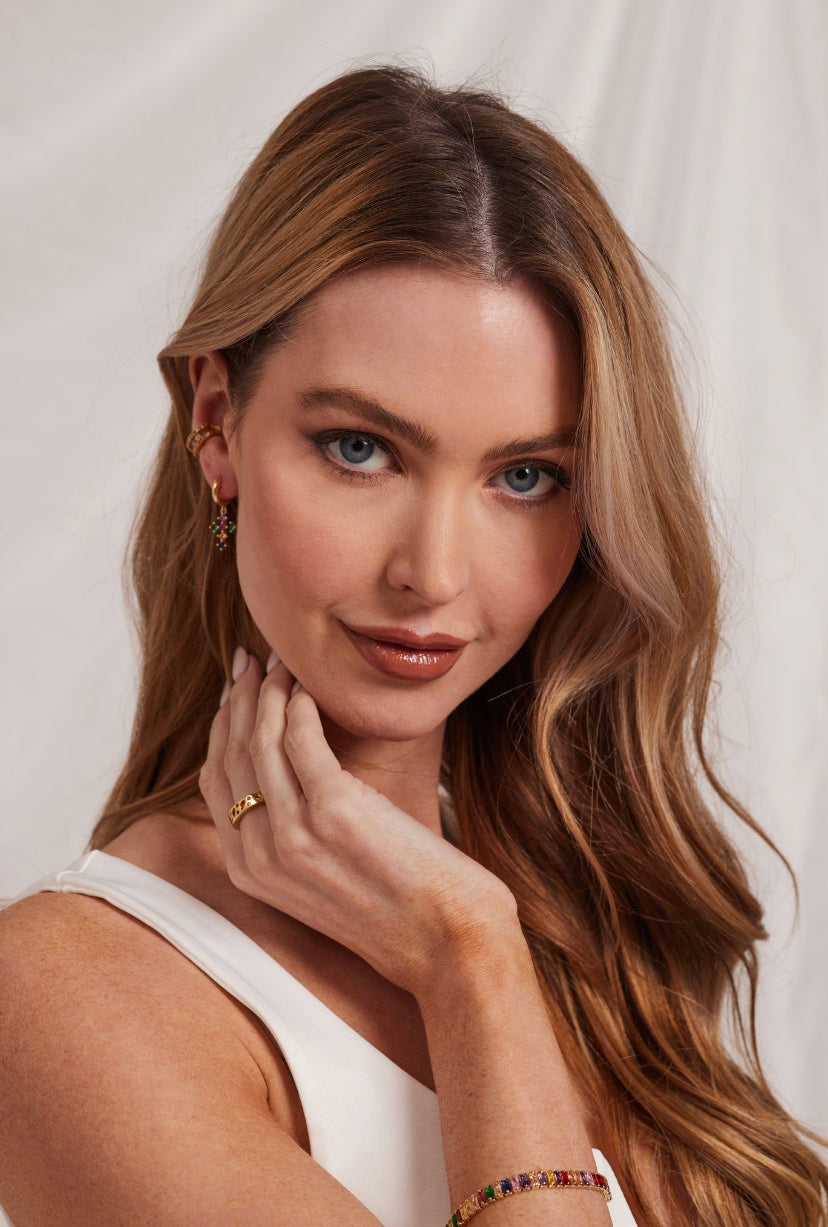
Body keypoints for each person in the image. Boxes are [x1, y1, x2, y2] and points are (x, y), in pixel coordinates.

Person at [0, 62, 825, 1227]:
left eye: (526, 477)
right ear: (217, 422)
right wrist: (469, 957)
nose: (432, 574)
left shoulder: (590, 919)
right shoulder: (67, 992)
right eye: (361, 450)